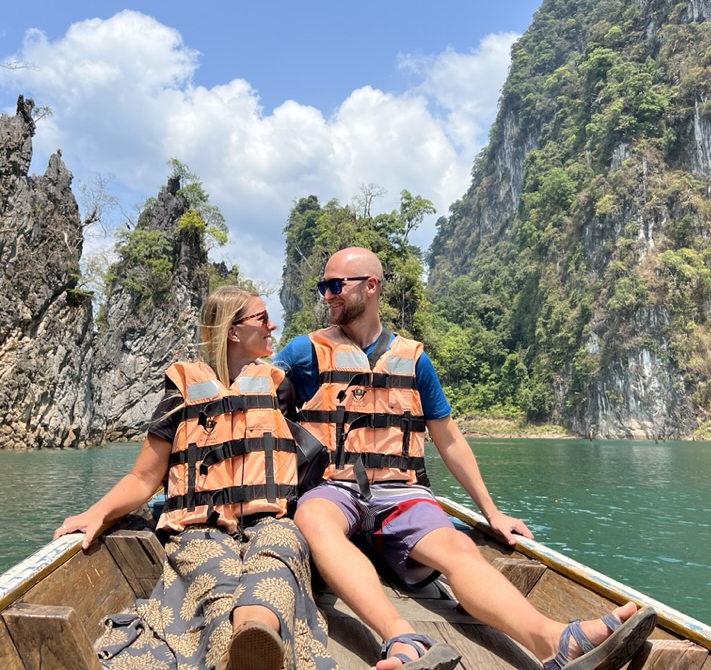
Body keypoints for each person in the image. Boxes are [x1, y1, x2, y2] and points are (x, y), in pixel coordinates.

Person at [274, 247, 657, 670]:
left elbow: (449, 439)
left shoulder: (414, 360)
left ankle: (554, 641)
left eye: (335, 285)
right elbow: (251, 394)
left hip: (400, 492)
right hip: (335, 488)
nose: (327, 295)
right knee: (313, 518)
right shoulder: (305, 351)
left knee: (459, 547)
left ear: (371, 286)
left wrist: (492, 513)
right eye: (323, 286)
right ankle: (401, 638)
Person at [56, 286, 337, 670]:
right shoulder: (181, 395)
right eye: (261, 318)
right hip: (200, 530)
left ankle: (255, 634)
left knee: (279, 556)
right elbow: (143, 478)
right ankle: (237, 652)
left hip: (269, 521)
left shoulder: (279, 387)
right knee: (216, 584)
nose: (271, 325)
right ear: (233, 331)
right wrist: (97, 514)